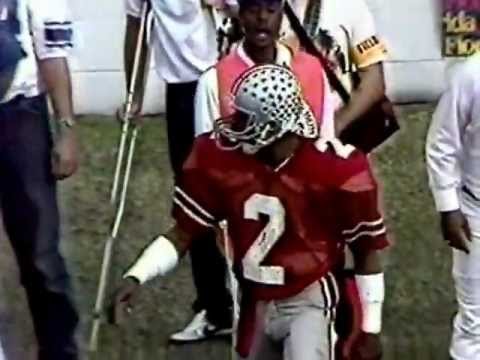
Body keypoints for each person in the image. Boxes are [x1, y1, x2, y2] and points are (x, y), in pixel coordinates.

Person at [111, 64, 389, 360]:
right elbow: (183, 234)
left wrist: (370, 328)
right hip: (253, 300)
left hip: (309, 297)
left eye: (245, 118)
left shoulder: (334, 168)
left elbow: (365, 251)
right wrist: (136, 276)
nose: (235, 124)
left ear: (273, 127)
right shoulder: (221, 159)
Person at [122, 0, 237, 341]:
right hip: (184, 92)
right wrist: (134, 94)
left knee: (246, 192)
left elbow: (256, 12)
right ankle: (216, 308)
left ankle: (268, 301)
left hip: (230, 82)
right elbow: (135, 28)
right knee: (193, 198)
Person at [0, 0, 79, 359]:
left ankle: (59, 350)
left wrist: (65, 129)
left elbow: (52, 53)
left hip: (19, 117)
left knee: (40, 251)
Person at [194, 0, 335, 138]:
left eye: (271, 9)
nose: (262, 17)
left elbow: (326, 139)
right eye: (253, 9)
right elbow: (207, 152)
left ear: (281, 15)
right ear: (241, 16)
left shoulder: (313, 70)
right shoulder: (213, 81)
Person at [426, 53, 480, 360]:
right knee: (475, 326)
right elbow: (442, 144)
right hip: (476, 213)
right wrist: (448, 208)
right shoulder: (471, 74)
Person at [282, 0, 388, 136]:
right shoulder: (260, 8)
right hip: (279, 137)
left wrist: (335, 125)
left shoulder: (351, 5)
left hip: (336, 135)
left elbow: (374, 80)